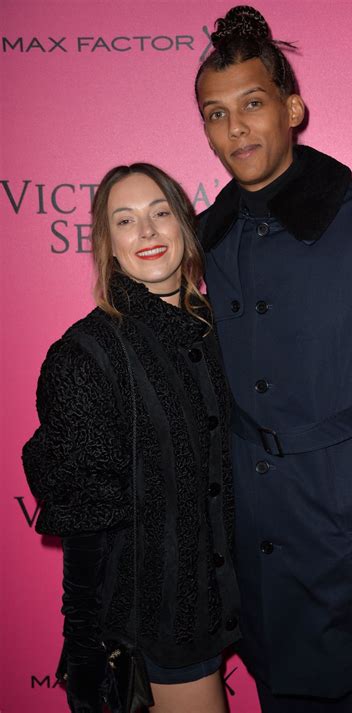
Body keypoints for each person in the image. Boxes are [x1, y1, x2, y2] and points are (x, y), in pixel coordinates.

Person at [194, 6, 352, 712]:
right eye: (216, 115)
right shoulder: (206, 241)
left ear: (292, 108)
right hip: (260, 563)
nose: (236, 127)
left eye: (252, 104)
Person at [22, 163, 240, 713]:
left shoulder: (223, 331)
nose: (146, 232)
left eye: (160, 213)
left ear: (186, 227)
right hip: (164, 616)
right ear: (108, 245)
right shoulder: (86, 355)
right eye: (125, 220)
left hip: (250, 595)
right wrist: (84, 644)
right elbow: (85, 520)